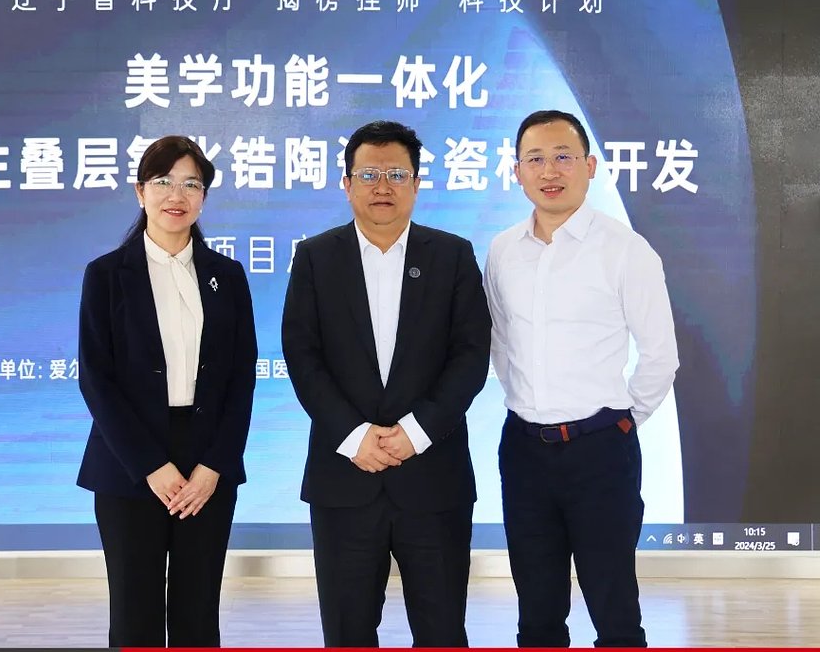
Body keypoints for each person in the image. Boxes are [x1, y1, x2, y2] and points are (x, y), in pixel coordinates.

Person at [281, 120, 492, 647]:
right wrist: (355, 437)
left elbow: (471, 356)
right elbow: (303, 357)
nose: (382, 186)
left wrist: (416, 433)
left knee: (442, 633)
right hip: (344, 478)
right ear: (346, 183)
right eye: (368, 174)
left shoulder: (452, 255)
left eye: (396, 174)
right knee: (348, 633)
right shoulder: (315, 257)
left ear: (417, 184)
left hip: (433, 477)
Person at [485, 110, 679, 648]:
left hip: (600, 451)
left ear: (589, 166)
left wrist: (621, 421)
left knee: (614, 608)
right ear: (517, 171)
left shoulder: (625, 250)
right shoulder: (502, 250)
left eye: (563, 157)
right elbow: (499, 342)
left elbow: (661, 356)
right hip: (523, 450)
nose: (550, 171)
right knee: (537, 610)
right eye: (535, 159)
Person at [76, 136, 257, 647]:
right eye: (163, 181)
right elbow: (96, 379)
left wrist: (214, 465)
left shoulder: (227, 276)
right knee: (135, 615)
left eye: (191, 184)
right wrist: (150, 467)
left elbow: (241, 379)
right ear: (140, 192)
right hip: (129, 464)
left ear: (203, 198)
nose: (176, 195)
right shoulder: (106, 275)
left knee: (198, 614)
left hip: (206, 466)